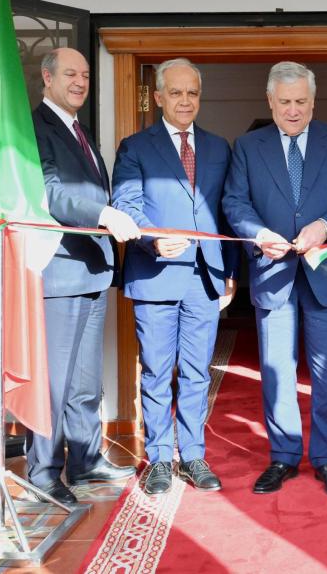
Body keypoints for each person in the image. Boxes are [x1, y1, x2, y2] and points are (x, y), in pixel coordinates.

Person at [223, 61, 327, 498]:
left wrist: (325, 225)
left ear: (313, 101)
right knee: (276, 370)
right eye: (285, 102)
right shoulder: (247, 146)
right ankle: (283, 456)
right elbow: (234, 202)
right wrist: (258, 234)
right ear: (270, 101)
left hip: (326, 271)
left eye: (301, 102)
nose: (293, 110)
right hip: (273, 272)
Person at [111, 58, 239, 496]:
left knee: (198, 372)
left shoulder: (219, 147)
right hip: (156, 273)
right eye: (176, 93)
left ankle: (195, 455)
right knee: (156, 370)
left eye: (193, 93)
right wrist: (151, 239)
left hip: (205, 276)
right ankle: (161, 459)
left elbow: (227, 211)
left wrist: (230, 272)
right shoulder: (135, 146)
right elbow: (126, 203)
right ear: (158, 97)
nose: (185, 101)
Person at [26, 47, 141, 505]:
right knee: (55, 382)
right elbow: (50, 193)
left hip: (92, 270)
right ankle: (43, 472)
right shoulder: (35, 127)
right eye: (70, 74)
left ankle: (85, 459)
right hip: (61, 270)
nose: (80, 82)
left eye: (86, 75)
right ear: (47, 77)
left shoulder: (79, 129)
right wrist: (104, 214)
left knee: (85, 381)